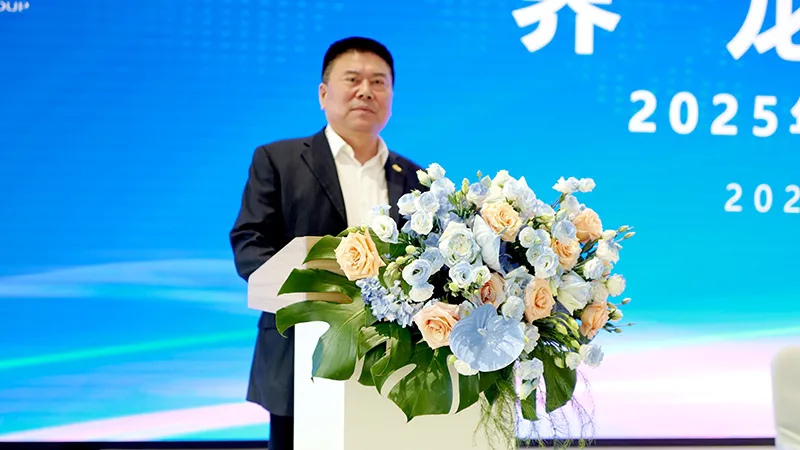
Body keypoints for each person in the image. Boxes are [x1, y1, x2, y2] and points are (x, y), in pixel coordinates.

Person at [229, 36, 424, 450]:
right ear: (323, 94)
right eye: (352, 79)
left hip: (393, 360)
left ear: (391, 96)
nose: (366, 91)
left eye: (379, 82)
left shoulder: (415, 178)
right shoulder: (279, 161)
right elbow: (250, 243)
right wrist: (310, 290)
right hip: (301, 349)